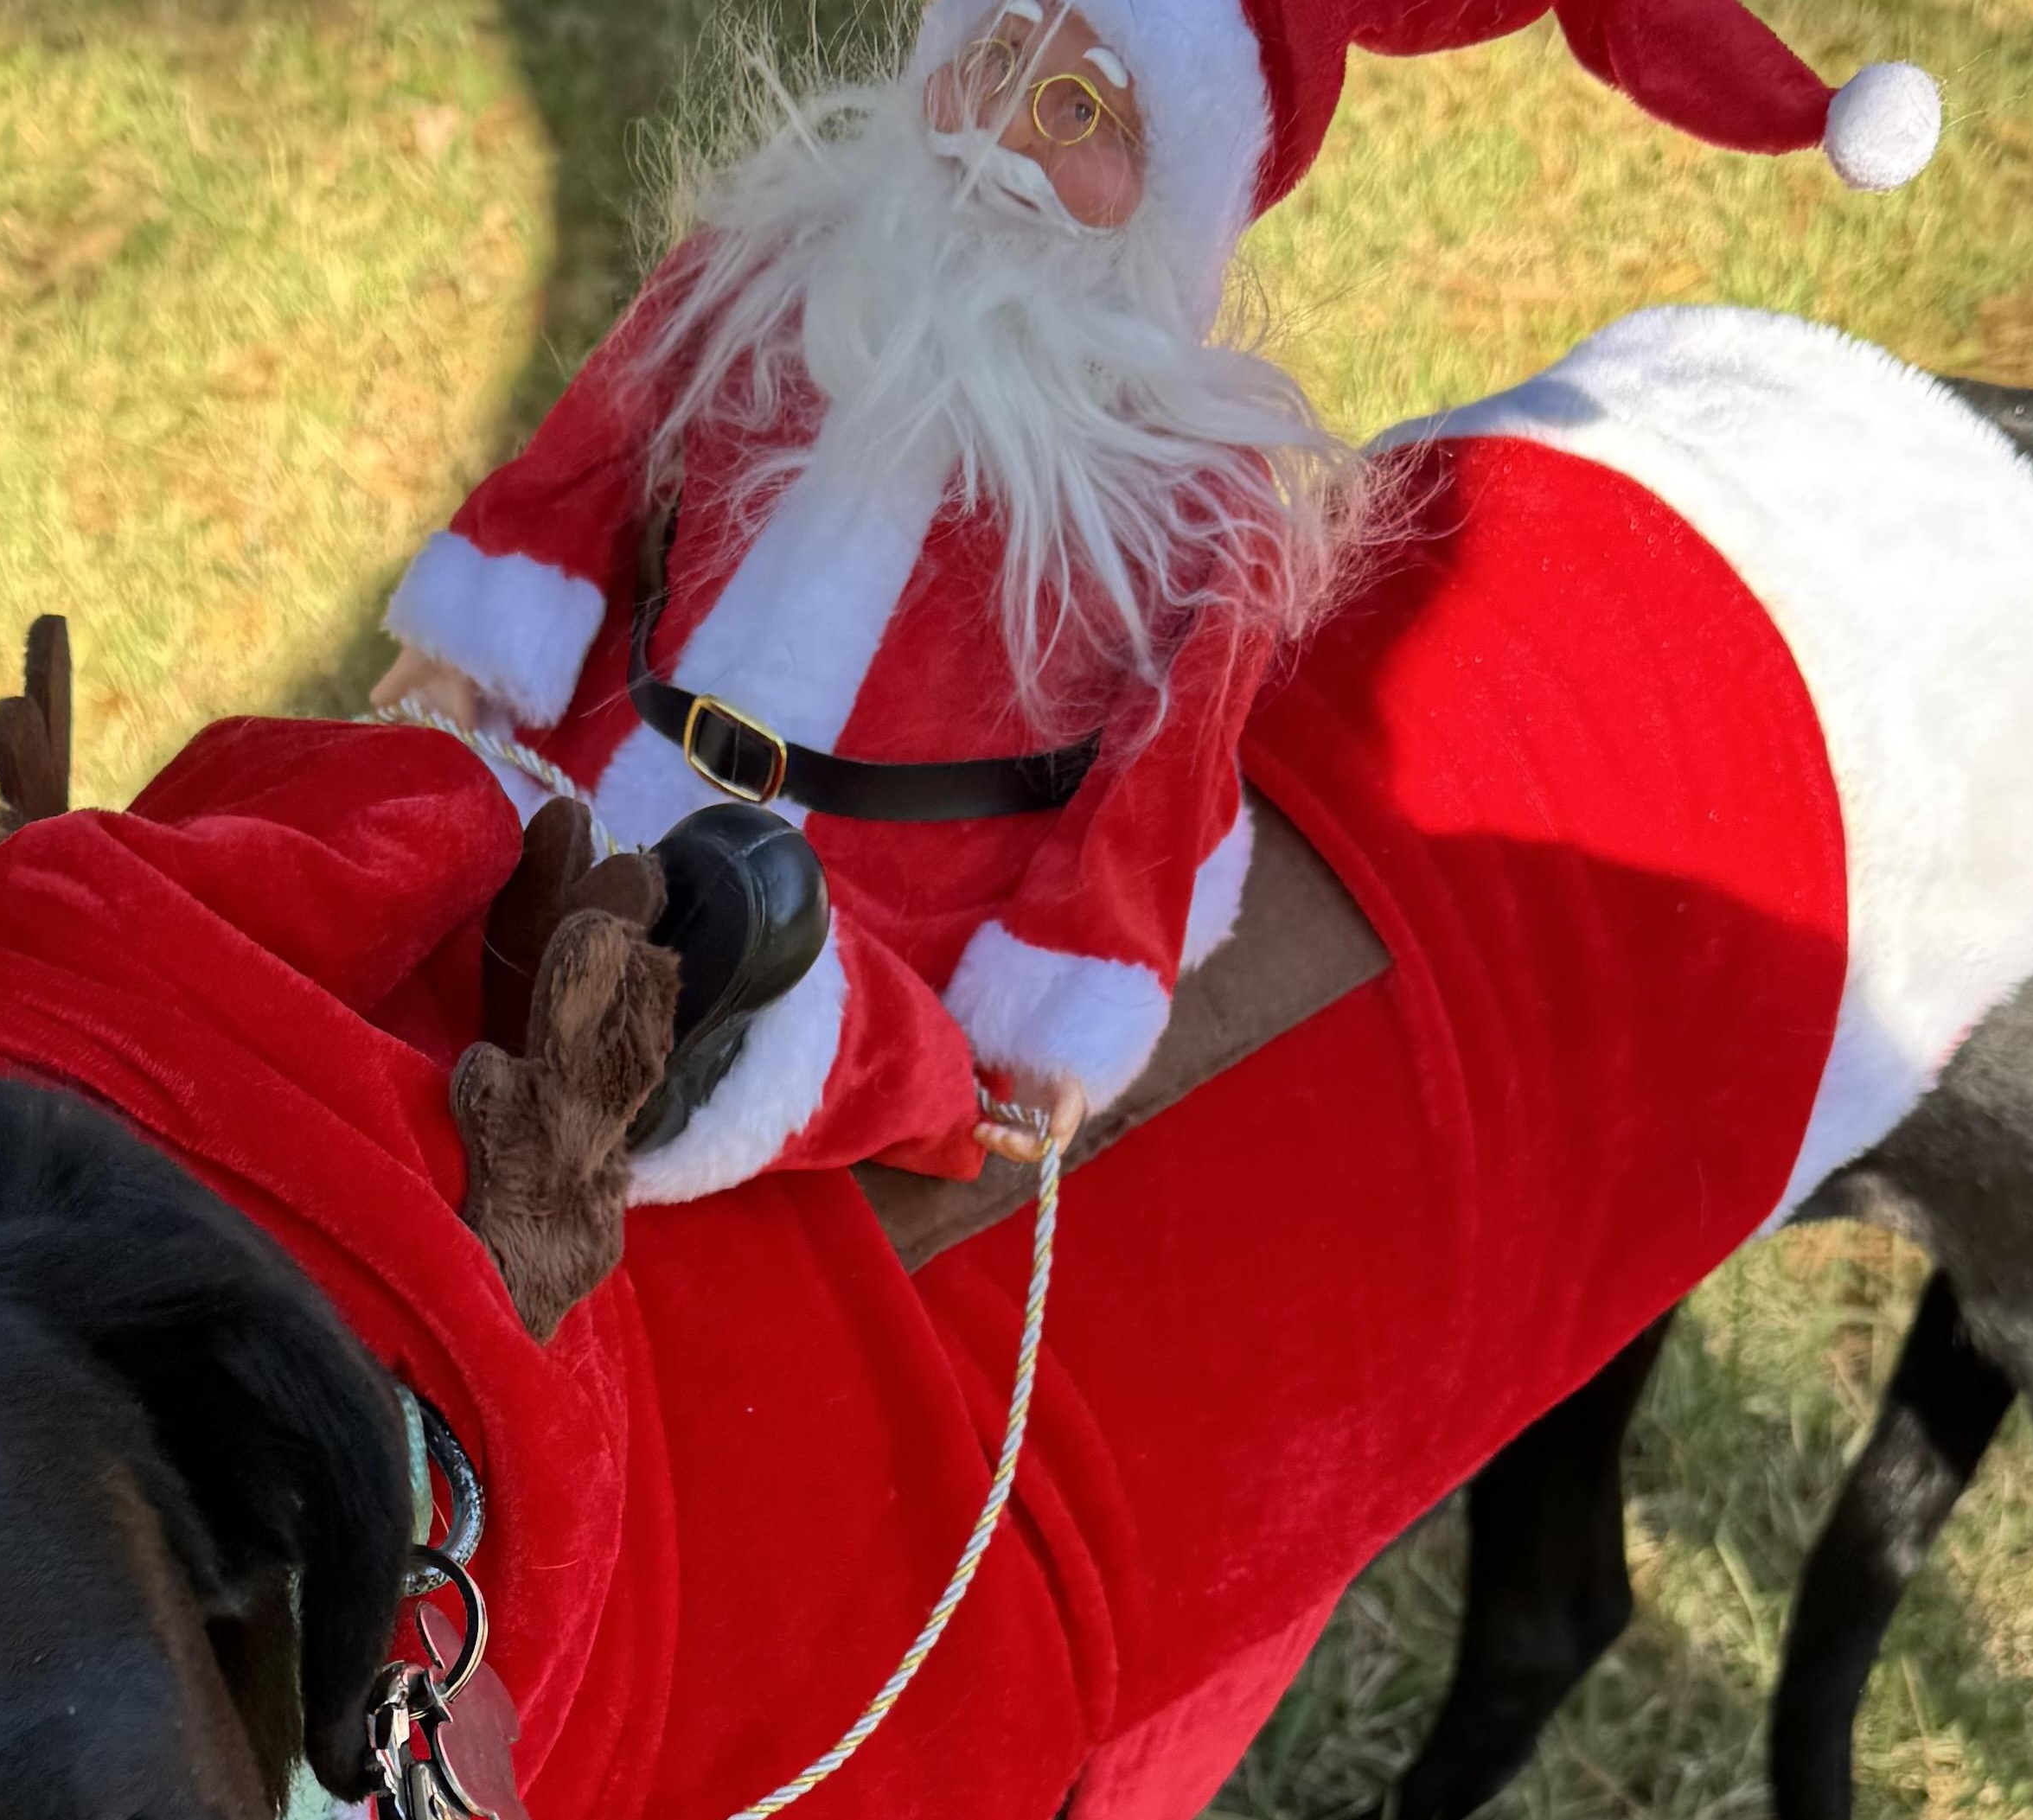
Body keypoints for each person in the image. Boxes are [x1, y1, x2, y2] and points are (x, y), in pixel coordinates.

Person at [375, 0, 1942, 1268]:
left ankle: (709, 1099)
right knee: (407, 890)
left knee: (784, 1062)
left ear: (1177, 187)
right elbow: (584, 466)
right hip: (594, 766)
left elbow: (1158, 789)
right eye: (993, 58)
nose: (998, 133)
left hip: (871, 919)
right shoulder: (764, 274)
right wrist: (469, 641)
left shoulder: (1195, 505)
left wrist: (1053, 1012)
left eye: (1076, 115)